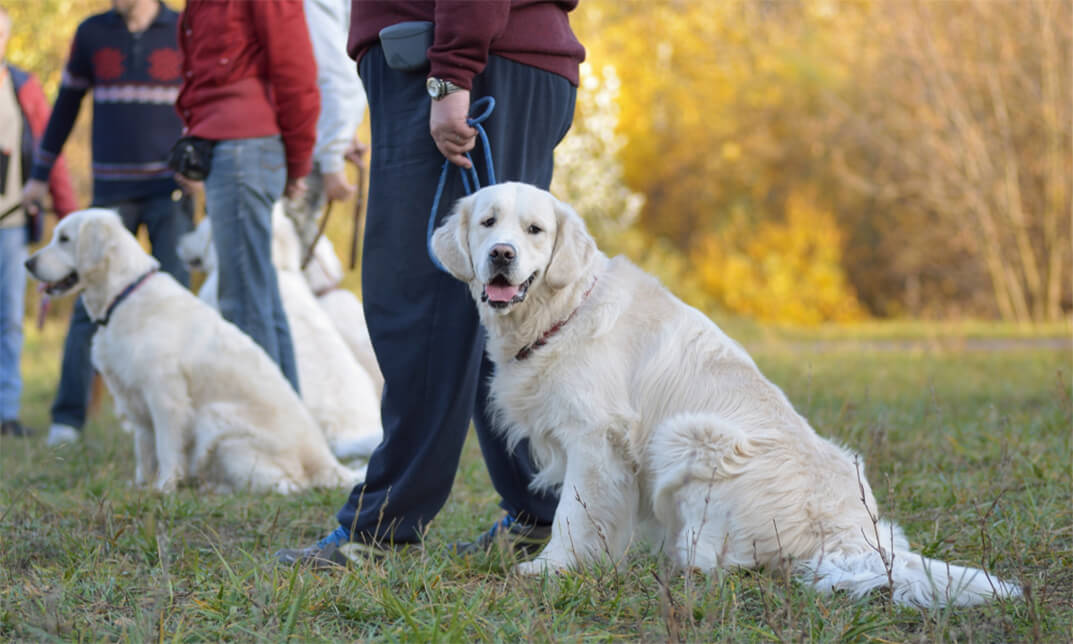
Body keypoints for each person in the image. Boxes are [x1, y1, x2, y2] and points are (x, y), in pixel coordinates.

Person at [277, 0, 585, 567]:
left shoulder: (455, 70)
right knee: (487, 301)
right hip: (468, 54)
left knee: (423, 297)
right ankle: (538, 510)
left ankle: (382, 531)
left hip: (464, 57)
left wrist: (451, 76)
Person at [21, 0, 193, 446]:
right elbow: (64, 108)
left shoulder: (183, 27)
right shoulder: (91, 33)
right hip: (109, 196)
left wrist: (198, 161)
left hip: (168, 191)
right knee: (86, 303)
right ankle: (68, 419)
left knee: (175, 301)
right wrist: (39, 177)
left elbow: (203, 97)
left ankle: (180, 414)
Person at [176, 0, 320, 393]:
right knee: (261, 301)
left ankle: (264, 440)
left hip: (245, 150)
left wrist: (299, 159)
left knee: (243, 305)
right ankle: (290, 431)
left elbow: (297, 70)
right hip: (230, 149)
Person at [0, 5, 79, 438]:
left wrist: (70, 216)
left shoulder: (24, 87)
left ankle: (6, 412)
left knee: (11, 318)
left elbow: (53, 153)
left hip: (10, 223)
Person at [284, 0, 369, 252]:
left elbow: (335, 76)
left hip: (299, 148)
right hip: (302, 145)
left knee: (289, 265)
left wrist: (334, 151)